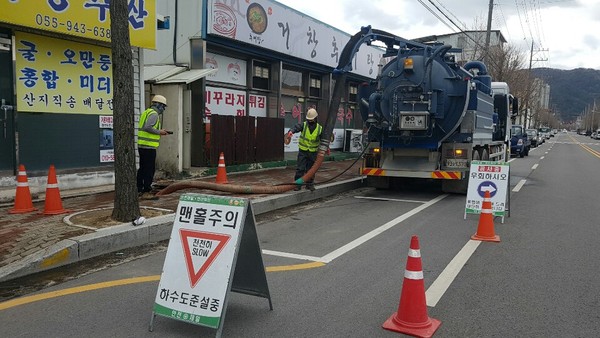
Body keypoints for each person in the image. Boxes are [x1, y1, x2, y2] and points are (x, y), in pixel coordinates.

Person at [137, 94, 170, 200]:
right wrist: (159, 132)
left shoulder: (146, 112)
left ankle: (139, 189)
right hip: (148, 147)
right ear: (159, 105)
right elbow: (147, 127)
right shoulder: (154, 114)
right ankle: (146, 190)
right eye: (163, 106)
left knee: (142, 168)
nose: (163, 109)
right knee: (149, 169)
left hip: (142, 145)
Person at [285, 108, 322, 191]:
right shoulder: (304, 125)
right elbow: (296, 127)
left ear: (315, 118)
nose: (310, 121)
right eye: (309, 120)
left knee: (311, 170)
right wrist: (291, 131)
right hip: (303, 151)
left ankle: (309, 184)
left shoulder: (319, 129)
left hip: (313, 152)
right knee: (300, 168)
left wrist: (327, 148)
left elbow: (323, 139)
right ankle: (298, 185)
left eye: (311, 120)